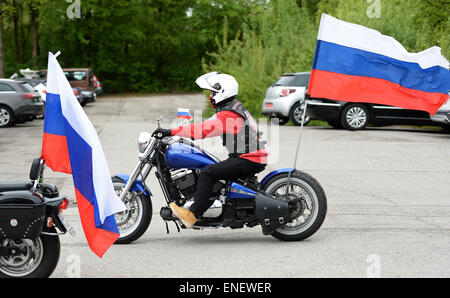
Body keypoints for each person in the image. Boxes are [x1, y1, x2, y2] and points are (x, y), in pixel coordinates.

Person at [153, 72, 267, 228]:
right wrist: (181, 129)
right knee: (209, 169)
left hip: (249, 159)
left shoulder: (228, 113)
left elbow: (203, 130)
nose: (210, 96)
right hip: (249, 157)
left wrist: (171, 132)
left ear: (222, 92)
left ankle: (192, 214)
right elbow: (205, 124)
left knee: (208, 172)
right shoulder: (230, 108)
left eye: (212, 92)